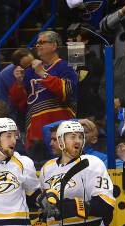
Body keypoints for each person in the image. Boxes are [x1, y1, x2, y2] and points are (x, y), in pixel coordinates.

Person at [38, 120, 115, 226]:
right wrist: (43, 221)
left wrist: (73, 206)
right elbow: (47, 207)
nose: (78, 141)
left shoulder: (92, 163)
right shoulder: (47, 168)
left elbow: (106, 205)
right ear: (61, 140)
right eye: (72, 137)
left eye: (80, 136)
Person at [9, 31, 78, 161]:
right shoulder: (30, 71)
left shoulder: (65, 67)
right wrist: (18, 82)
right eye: (37, 43)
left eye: (42, 42)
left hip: (59, 130)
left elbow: (68, 91)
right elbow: (21, 104)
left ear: (54, 46)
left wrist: (43, 74)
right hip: (35, 134)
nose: (37, 46)